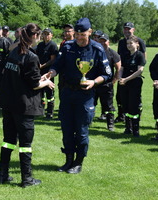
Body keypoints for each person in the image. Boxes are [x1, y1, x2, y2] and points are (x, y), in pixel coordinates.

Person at [46, 18, 111, 174]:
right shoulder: (68, 47)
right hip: (67, 93)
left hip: (86, 95)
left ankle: (78, 162)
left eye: (83, 34)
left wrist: (94, 82)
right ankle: (68, 161)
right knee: (67, 129)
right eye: (77, 34)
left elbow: (107, 74)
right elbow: (57, 65)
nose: (80, 38)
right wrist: (52, 72)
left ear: (90, 32)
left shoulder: (97, 49)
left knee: (81, 131)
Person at [0, 23, 54, 187]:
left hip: (9, 105)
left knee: (8, 141)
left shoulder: (14, 52)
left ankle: (2, 175)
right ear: (35, 36)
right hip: (24, 107)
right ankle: (27, 179)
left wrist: (40, 79)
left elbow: (23, 78)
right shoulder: (31, 57)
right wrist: (47, 82)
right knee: (25, 145)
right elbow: (34, 84)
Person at [116, 22, 146, 123]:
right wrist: (119, 76)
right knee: (121, 97)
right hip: (123, 73)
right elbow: (120, 59)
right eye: (125, 29)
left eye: (129, 29)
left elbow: (143, 59)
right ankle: (122, 116)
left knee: (135, 100)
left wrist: (139, 68)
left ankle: (136, 118)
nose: (127, 31)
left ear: (133, 30)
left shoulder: (140, 41)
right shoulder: (121, 42)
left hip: (134, 74)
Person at [94, 33, 121, 131]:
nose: (102, 43)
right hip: (95, 83)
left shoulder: (112, 53)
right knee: (91, 104)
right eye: (100, 41)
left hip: (106, 84)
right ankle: (87, 122)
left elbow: (118, 68)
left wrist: (114, 81)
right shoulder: (95, 52)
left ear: (108, 42)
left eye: (104, 41)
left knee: (108, 106)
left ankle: (110, 124)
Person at [36, 28, 58, 118]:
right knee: (40, 92)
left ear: (51, 35)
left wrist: (43, 65)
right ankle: (40, 109)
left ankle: (50, 112)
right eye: (44, 34)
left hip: (49, 72)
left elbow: (52, 60)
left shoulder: (53, 45)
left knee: (49, 93)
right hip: (39, 71)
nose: (46, 36)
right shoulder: (40, 45)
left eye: (48, 34)